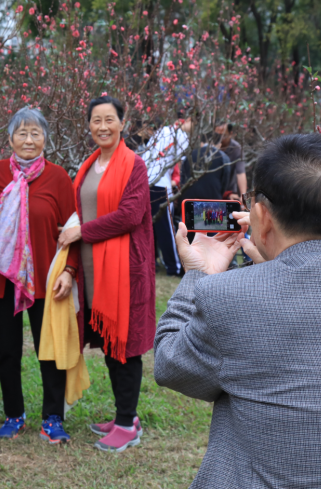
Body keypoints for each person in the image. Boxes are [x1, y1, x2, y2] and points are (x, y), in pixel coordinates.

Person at [154, 133, 321, 488]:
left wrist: (198, 274)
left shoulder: (229, 296)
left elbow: (170, 365)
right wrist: (272, 264)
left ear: (261, 215)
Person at [58, 96, 156, 453]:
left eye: (109, 119)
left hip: (124, 271)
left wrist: (82, 232)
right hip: (93, 272)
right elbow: (78, 217)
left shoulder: (134, 166)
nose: (103, 126)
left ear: (122, 123)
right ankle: (124, 416)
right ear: (89, 124)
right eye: (96, 120)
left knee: (124, 347)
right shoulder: (88, 166)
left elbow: (130, 216)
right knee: (111, 346)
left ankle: (128, 424)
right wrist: (71, 265)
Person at [0, 107, 80, 443]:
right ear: (10, 138)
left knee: (49, 350)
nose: (28, 139)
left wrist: (70, 271)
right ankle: (14, 413)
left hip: (47, 280)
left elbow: (73, 229)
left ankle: (52, 417)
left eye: (35, 133)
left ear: (45, 139)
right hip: (2, 280)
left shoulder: (58, 177)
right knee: (7, 351)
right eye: (21, 133)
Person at [139, 113, 191, 276]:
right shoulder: (181, 135)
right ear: (188, 120)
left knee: (149, 226)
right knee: (166, 228)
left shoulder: (162, 131)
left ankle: (150, 262)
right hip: (161, 184)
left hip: (145, 181)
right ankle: (174, 267)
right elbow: (179, 165)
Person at [179, 130, 233, 206]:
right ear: (219, 145)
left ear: (201, 143)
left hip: (188, 201)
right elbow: (225, 181)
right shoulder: (223, 157)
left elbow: (182, 179)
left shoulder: (189, 155)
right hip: (212, 201)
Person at [214, 120, 247, 200]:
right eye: (217, 135)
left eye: (224, 136)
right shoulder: (209, 148)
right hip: (212, 190)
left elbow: (240, 173)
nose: (220, 138)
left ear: (230, 134)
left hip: (229, 191)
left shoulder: (236, 149)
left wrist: (243, 196)